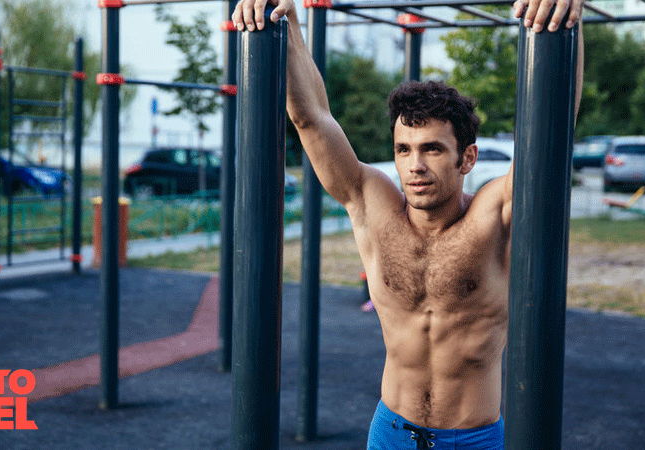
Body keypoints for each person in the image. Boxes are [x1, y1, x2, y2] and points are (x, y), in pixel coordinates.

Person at [233, 0, 583, 447]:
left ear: (467, 158)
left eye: (433, 149)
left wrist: (573, 17)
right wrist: (290, 23)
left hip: (475, 437)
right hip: (392, 431)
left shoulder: (495, 215)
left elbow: (556, 133)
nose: (415, 165)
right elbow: (311, 119)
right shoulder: (373, 205)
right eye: (404, 149)